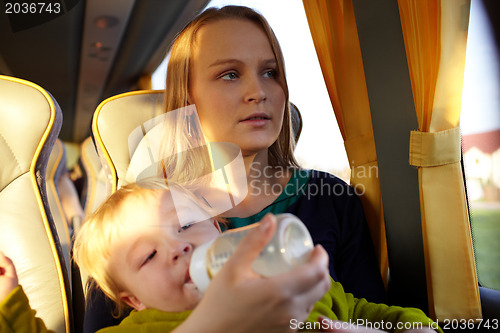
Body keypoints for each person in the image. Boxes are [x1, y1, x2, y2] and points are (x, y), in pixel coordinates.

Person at [160, 4, 386, 302]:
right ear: (187, 97)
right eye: (229, 75)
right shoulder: (149, 215)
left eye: (270, 72)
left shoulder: (332, 199)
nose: (258, 91)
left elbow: (373, 315)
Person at [0, 182, 440, 333]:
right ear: (133, 299)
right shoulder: (145, 327)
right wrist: (8, 302)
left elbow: (375, 313)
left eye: (188, 225)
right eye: (150, 254)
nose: (179, 247)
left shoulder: (283, 278)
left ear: (219, 229)